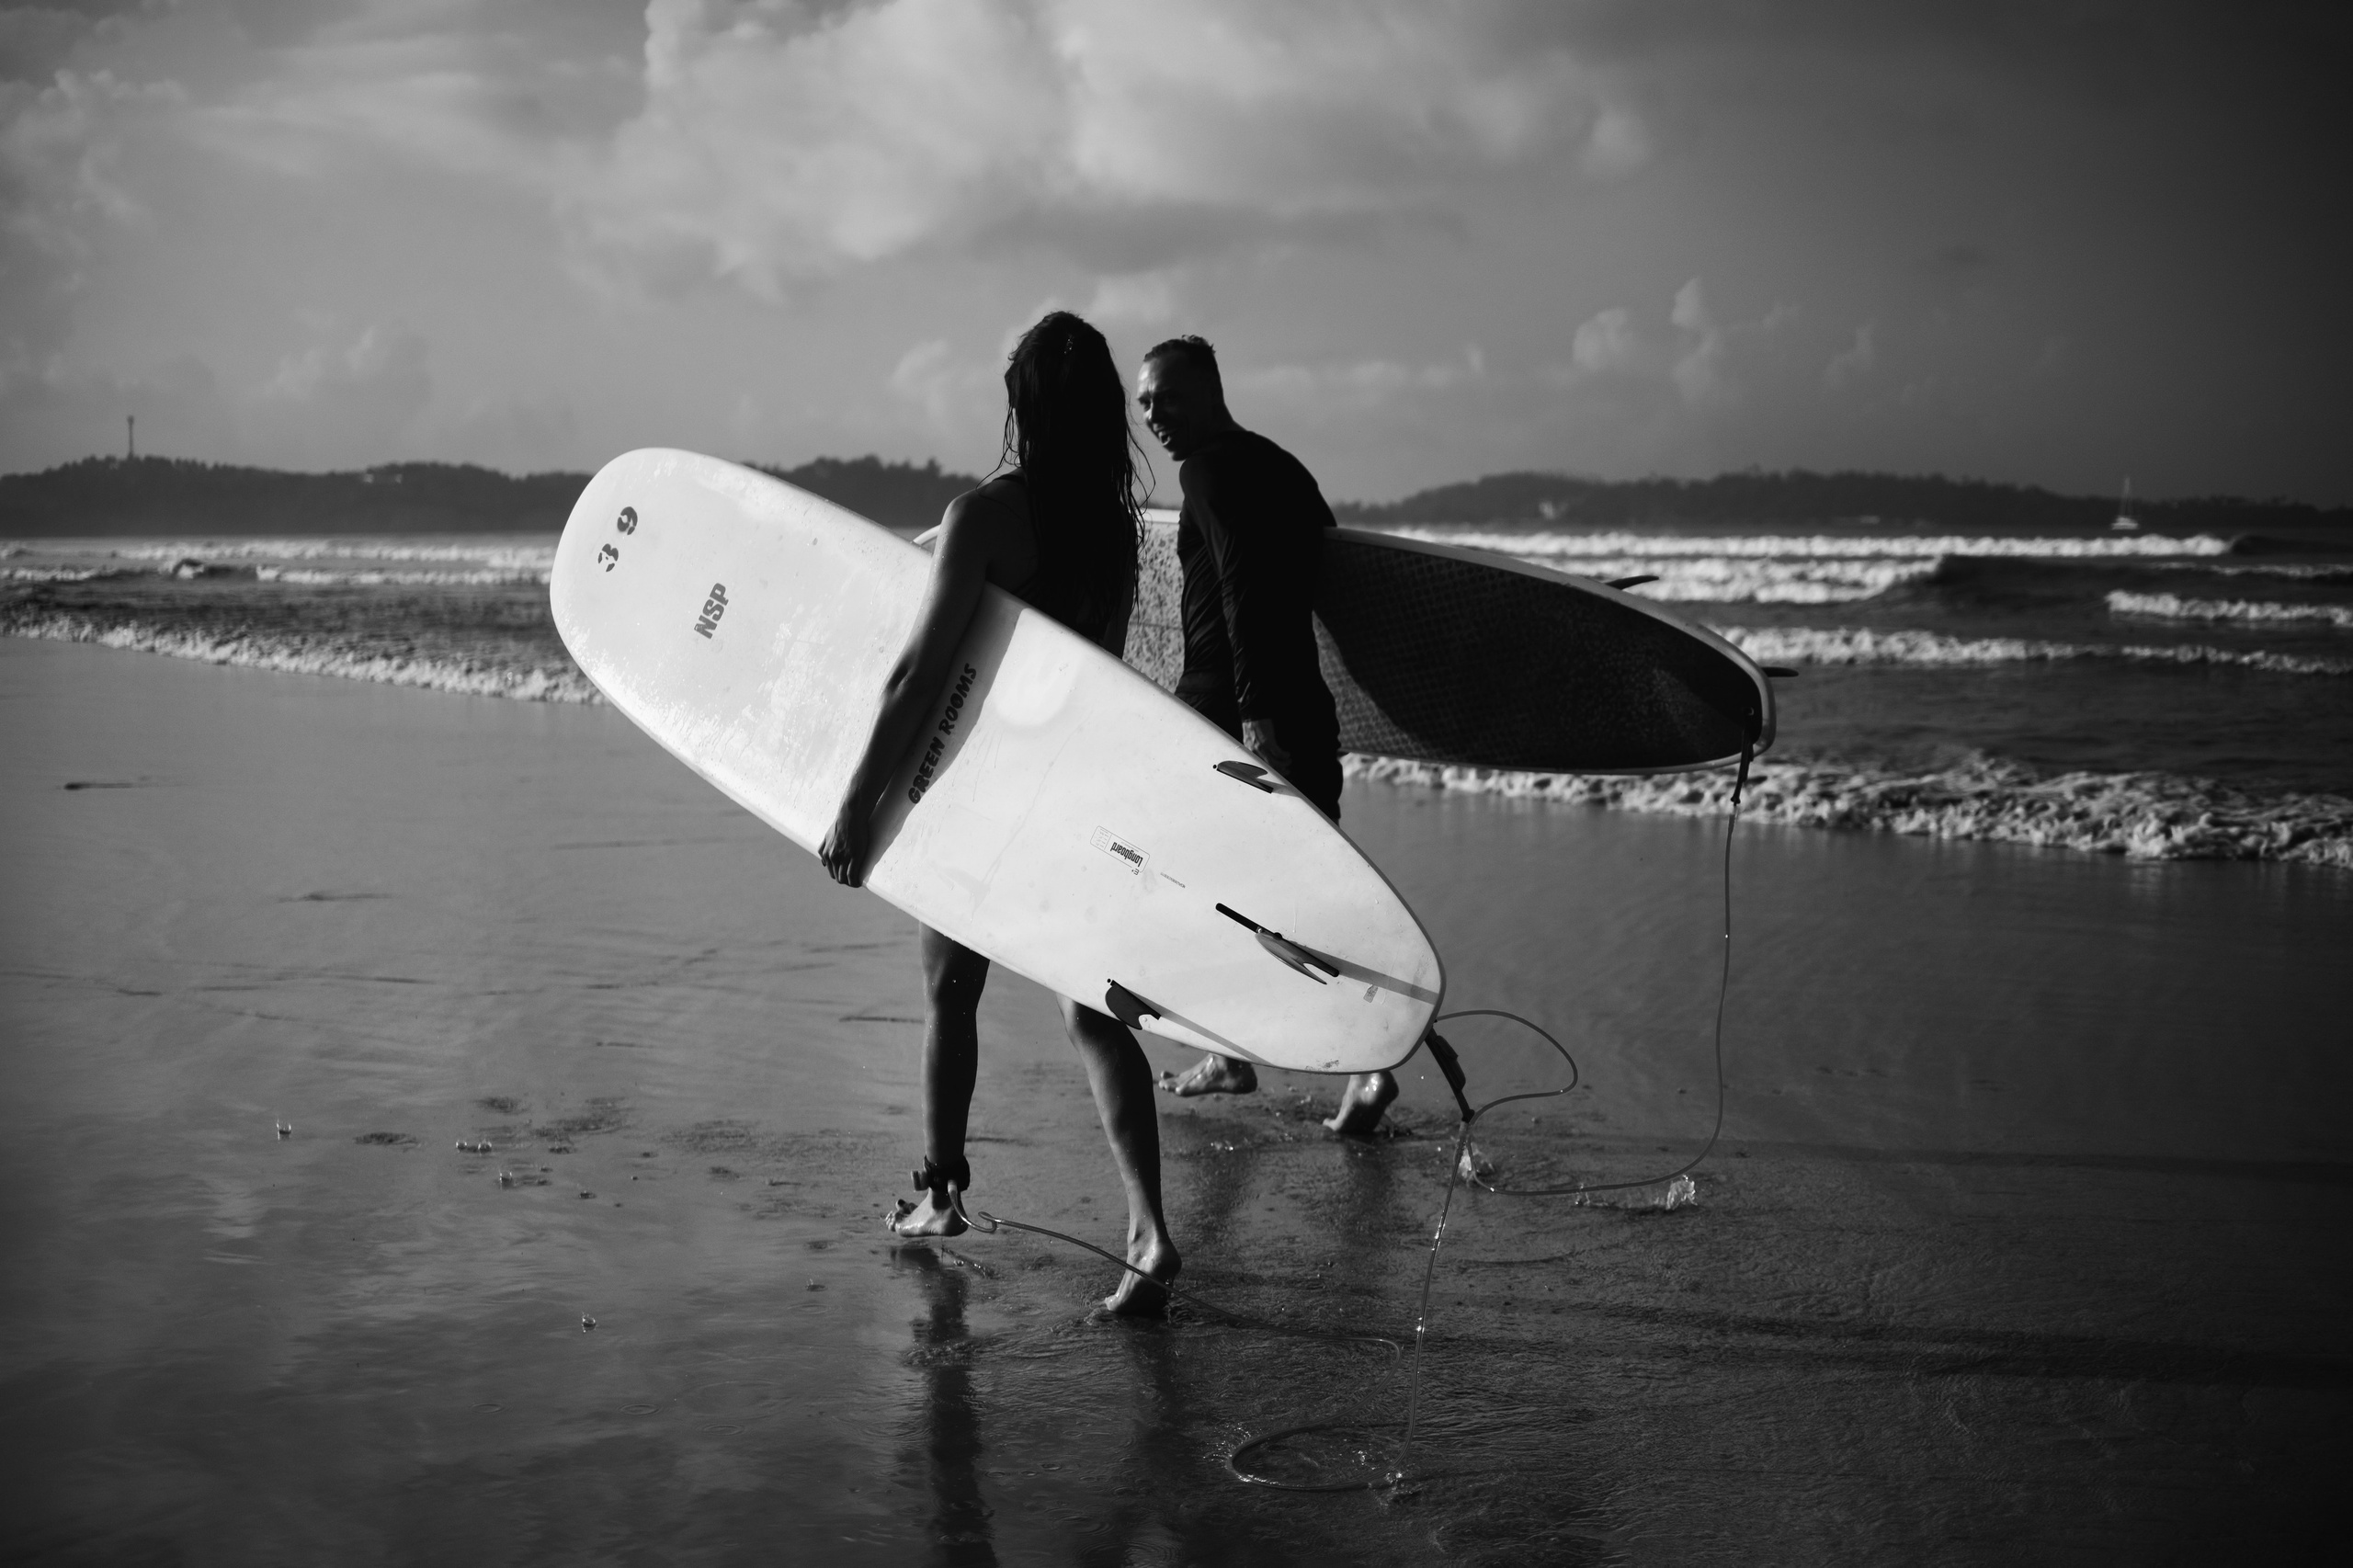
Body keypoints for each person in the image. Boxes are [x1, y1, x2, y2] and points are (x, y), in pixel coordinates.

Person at [818, 312, 1178, 1315]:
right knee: (1088, 1009)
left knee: (950, 991)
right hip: (1072, 783)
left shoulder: (985, 514)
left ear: (1017, 403)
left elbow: (917, 674)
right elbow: (1089, 666)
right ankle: (1148, 1226)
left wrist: (857, 805)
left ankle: (940, 1190)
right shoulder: (1111, 526)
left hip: (981, 791)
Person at [1133, 335, 1396, 1135]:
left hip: (1234, 715)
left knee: (1190, 888)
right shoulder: (1284, 467)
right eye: (1143, 403)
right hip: (1301, 708)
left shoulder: (1206, 474)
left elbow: (1246, 587)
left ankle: (1236, 1052)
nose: (1155, 416)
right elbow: (1330, 565)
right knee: (1312, 899)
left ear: (1210, 390)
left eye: (1167, 397)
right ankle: (1361, 1066)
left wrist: (1253, 713)